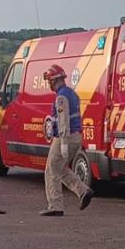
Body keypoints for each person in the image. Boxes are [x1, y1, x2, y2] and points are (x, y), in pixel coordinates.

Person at [40, 64, 93, 216]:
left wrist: (63, 141)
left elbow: (63, 120)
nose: (48, 83)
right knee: (61, 169)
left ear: (53, 80)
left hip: (66, 137)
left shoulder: (61, 96)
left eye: (49, 80)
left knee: (51, 169)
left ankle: (55, 206)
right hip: (77, 136)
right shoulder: (71, 93)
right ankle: (83, 192)